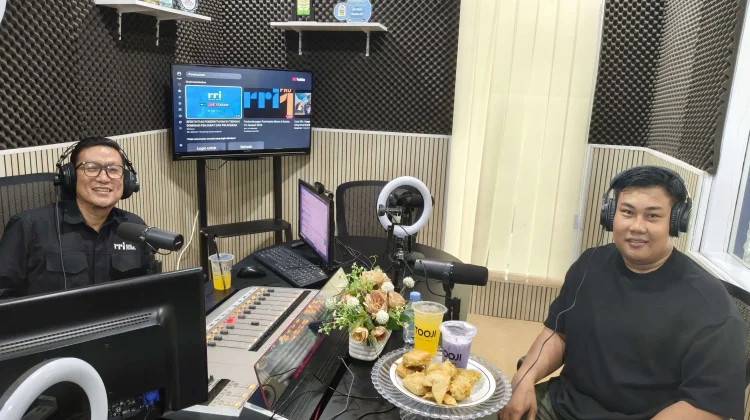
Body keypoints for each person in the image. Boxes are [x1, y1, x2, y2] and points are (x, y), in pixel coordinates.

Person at [499, 166, 746, 420]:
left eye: (652, 216)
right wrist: (525, 377)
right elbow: (557, 334)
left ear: (676, 223)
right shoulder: (589, 264)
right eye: (627, 212)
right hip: (562, 406)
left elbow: (707, 405)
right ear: (610, 215)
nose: (637, 226)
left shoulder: (710, 306)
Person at [0, 137, 150, 298]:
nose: (104, 178)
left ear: (127, 180)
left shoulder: (134, 228)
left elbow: (148, 290)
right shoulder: (28, 227)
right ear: (70, 176)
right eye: (91, 168)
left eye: (113, 170)